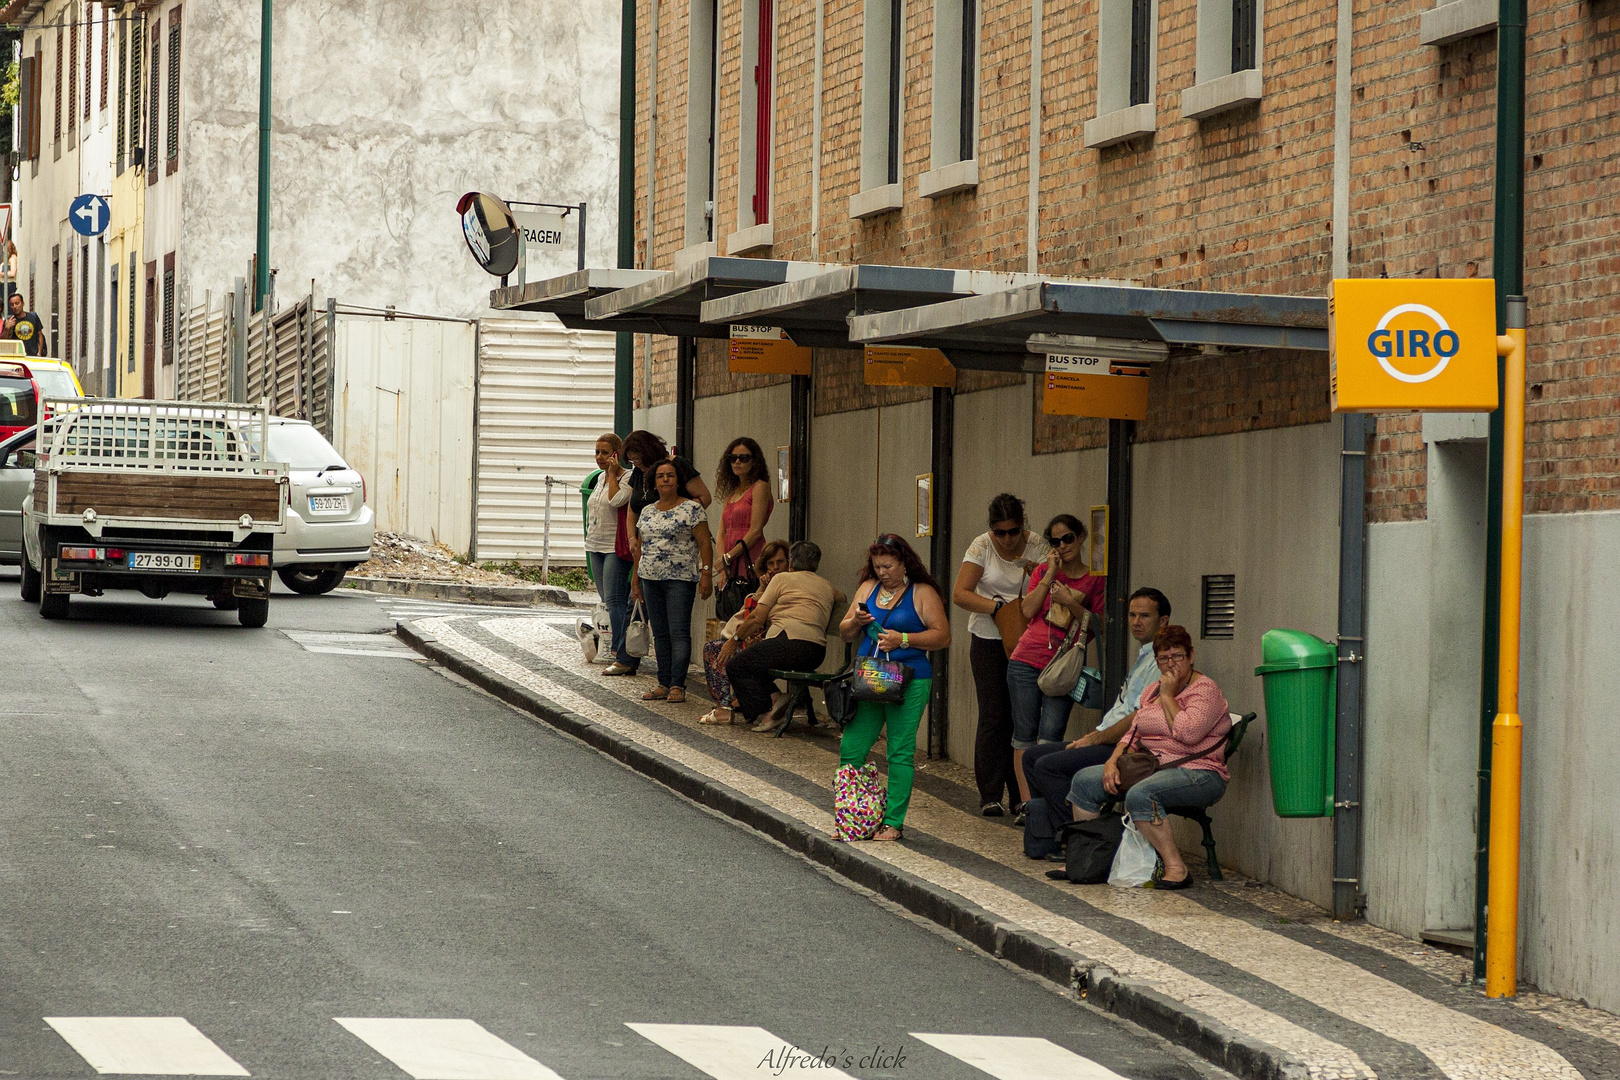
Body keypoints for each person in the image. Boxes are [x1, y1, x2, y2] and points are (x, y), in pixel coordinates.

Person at [1064, 625, 1232, 890]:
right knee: (1085, 781)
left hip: (1199, 773)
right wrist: (1113, 762)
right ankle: (1089, 858)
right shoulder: (1151, 690)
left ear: (1191, 656)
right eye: (1163, 658)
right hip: (1153, 767)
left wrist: (1168, 696)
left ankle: (1176, 867)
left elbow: (1188, 733)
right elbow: (1132, 733)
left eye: (1177, 656)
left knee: (1141, 794)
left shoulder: (1204, 690)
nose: (1170, 664)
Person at [1021, 587, 1172, 834]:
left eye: (1144, 616)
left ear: (1163, 620)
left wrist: (1095, 738)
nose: (1136, 622)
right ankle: (1049, 833)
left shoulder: (1160, 662)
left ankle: (1072, 837)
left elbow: (1139, 718)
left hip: (1124, 747)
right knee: (1032, 757)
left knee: (1048, 766)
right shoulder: (1144, 654)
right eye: (1132, 615)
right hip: (1106, 738)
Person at [837, 534, 951, 841]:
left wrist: (902, 639)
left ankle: (893, 822)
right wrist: (856, 621)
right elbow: (844, 631)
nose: (883, 572)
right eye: (877, 567)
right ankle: (852, 814)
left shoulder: (921, 592)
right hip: (871, 676)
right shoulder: (867, 588)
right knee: (852, 745)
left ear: (904, 563)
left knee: (899, 750)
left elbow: (942, 636)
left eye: (888, 566)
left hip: (911, 678)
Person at [952, 493, 1049, 817]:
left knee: (1022, 719)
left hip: (1029, 640)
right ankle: (990, 794)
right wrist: (997, 608)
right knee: (993, 715)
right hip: (988, 636)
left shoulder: (1038, 545)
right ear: (992, 530)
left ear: (1023, 526)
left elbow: (1054, 581)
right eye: (1000, 532)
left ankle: (1021, 796)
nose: (1008, 539)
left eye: (1014, 531)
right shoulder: (981, 546)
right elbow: (960, 593)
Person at [1006, 514, 1106, 819]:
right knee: (1024, 734)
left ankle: (1046, 802)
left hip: (1063, 665)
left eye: (1068, 538)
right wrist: (1049, 574)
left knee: (1051, 735)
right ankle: (1029, 805)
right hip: (1026, 658)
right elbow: (1027, 610)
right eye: (1055, 541)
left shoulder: (1095, 579)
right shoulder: (1042, 572)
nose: (1063, 546)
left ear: (1081, 538)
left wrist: (1071, 602)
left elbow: (1097, 625)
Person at [727, 541, 846, 732]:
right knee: (756, 662)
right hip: (815, 652)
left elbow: (757, 617)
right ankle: (775, 700)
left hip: (788, 643)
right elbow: (843, 599)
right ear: (816, 564)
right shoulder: (827, 586)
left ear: (791, 563)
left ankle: (769, 709)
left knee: (736, 666)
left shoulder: (781, 579)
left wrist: (735, 640)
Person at [630, 458, 715, 703]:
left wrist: (706, 573)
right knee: (660, 633)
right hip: (650, 577)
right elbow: (641, 548)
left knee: (678, 632)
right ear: (654, 483)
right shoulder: (647, 511)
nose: (666, 479)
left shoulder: (692, 509)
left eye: (670, 475)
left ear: (678, 481)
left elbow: (703, 544)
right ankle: (662, 682)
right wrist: (635, 582)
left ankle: (678, 684)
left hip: (680, 578)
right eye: (660, 476)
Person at [700, 539, 790, 725]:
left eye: (780, 562)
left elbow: (763, 619)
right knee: (712, 648)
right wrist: (763, 588)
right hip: (752, 638)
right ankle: (725, 706)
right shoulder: (766, 585)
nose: (775, 568)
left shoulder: (790, 584)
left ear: (789, 562)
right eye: (771, 564)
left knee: (730, 653)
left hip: (775, 641)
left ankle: (770, 697)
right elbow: (750, 614)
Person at [581, 433, 637, 675]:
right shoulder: (600, 479)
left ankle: (618, 651)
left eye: (605, 452)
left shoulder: (626, 477)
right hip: (595, 544)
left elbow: (616, 501)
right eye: (597, 452)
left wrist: (613, 474)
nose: (600, 458)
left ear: (617, 453)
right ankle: (614, 644)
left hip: (614, 546)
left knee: (615, 601)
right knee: (606, 598)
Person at [713, 437, 774, 597]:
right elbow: (721, 533)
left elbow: (755, 531)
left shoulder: (760, 487)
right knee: (729, 604)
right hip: (730, 560)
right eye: (733, 458)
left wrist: (728, 558)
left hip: (750, 555)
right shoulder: (732, 494)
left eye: (744, 458)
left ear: (754, 461)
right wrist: (723, 562)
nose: (737, 462)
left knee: (750, 601)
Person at [621, 429, 712, 514]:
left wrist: (676, 516)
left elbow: (705, 498)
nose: (635, 464)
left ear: (648, 453)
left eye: (637, 459)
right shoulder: (639, 471)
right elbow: (632, 509)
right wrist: (631, 531)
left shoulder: (679, 464)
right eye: (631, 460)